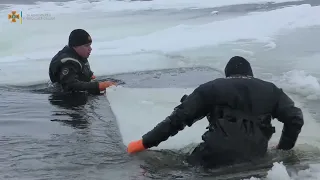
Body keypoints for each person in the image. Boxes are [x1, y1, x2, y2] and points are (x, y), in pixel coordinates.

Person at [126, 56, 304, 168]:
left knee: (165, 166)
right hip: (256, 159)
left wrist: (144, 143)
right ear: (251, 74)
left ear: (227, 75)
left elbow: (178, 119)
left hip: (211, 160)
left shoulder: (211, 88)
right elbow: (295, 118)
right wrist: (283, 148)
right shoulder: (272, 91)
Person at [49, 29, 116, 95]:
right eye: (86, 45)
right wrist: (98, 86)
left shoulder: (78, 55)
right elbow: (70, 85)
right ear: (75, 46)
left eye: (90, 45)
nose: (90, 48)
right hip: (69, 100)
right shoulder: (67, 62)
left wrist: (89, 75)